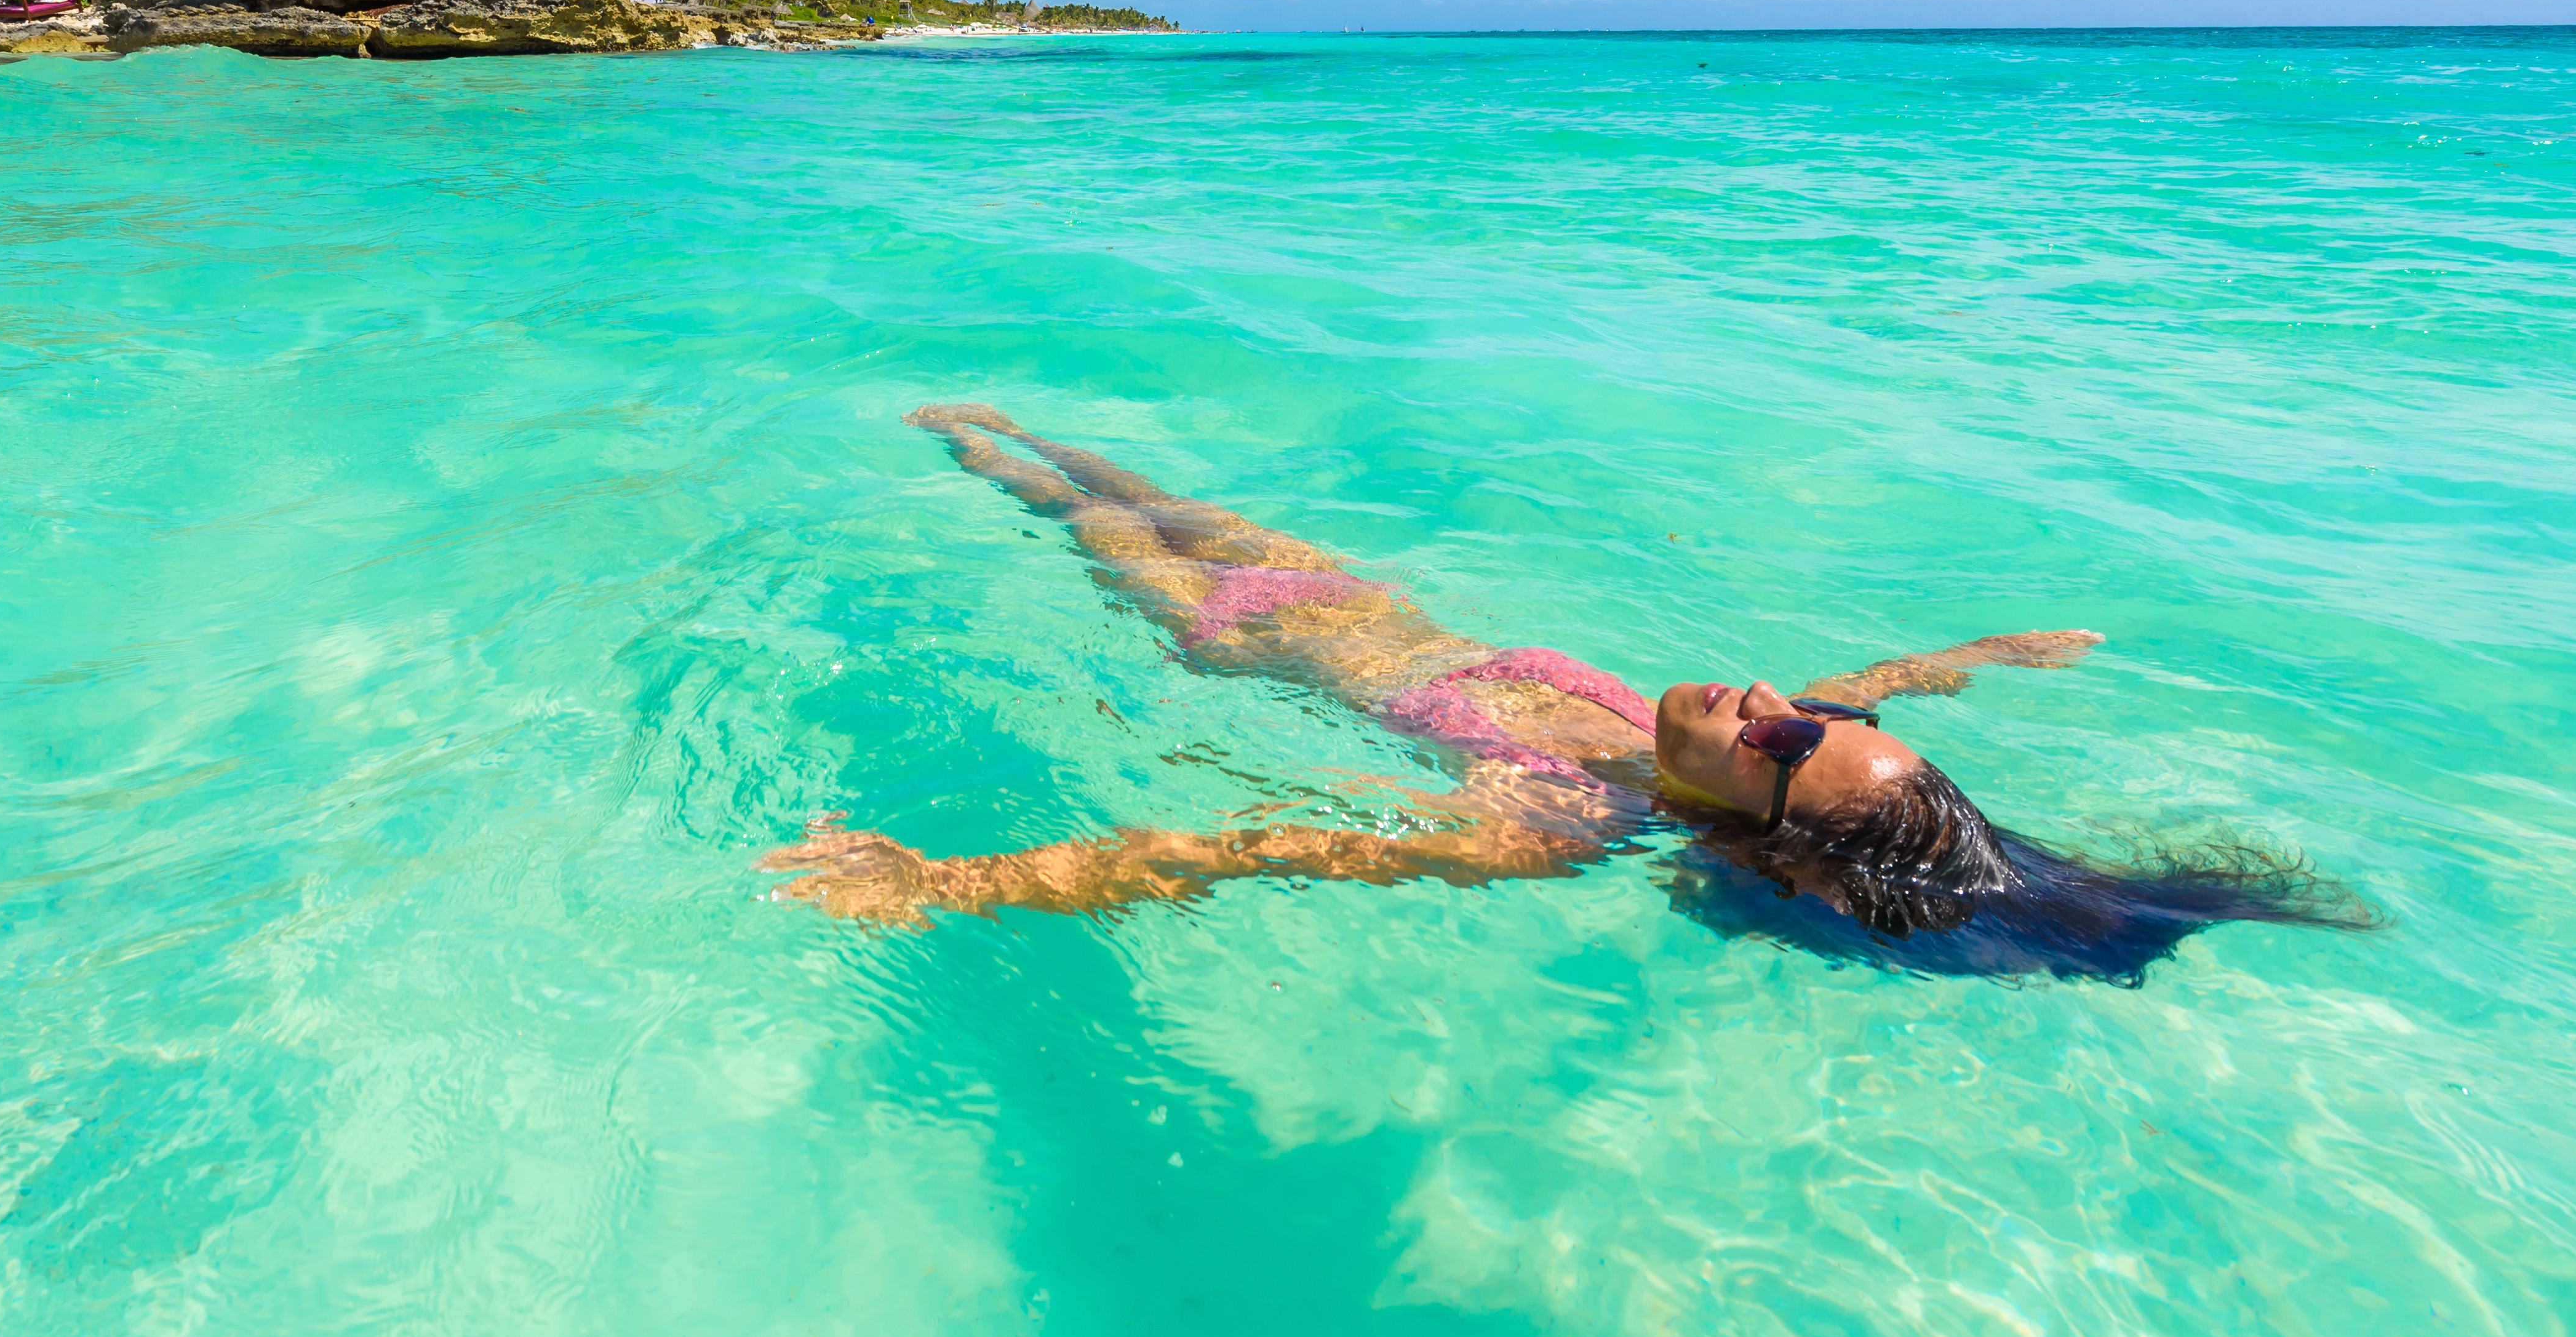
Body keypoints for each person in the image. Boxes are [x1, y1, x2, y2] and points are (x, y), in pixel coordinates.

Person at [764, 409, 2370, 980]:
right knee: (1132, 471)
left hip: (1236, 637)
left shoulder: (1555, 820)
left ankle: (954, 440)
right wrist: (1980, 657)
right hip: (1355, 600)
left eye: (1791, 741)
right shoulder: (1754, 730)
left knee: (1068, 506)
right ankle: (994, 420)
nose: (1774, 702)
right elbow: (1866, 681)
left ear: (1758, 820)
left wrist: (952, 883)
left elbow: (1252, 850)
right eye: (1822, 717)